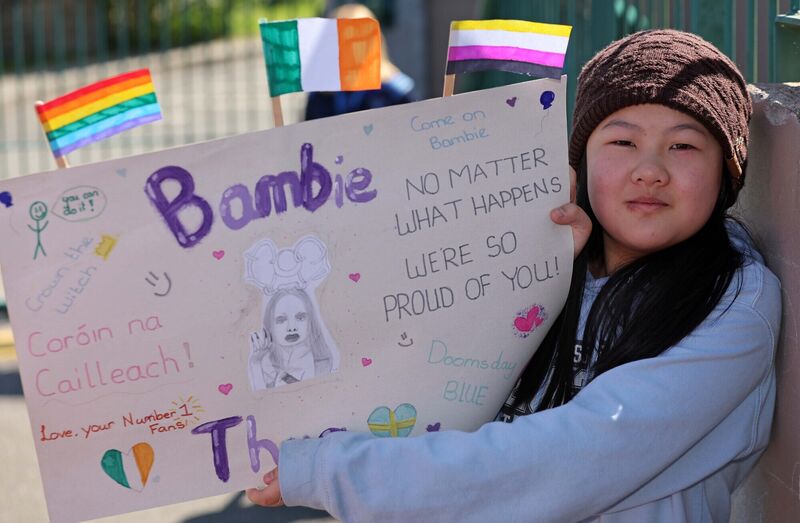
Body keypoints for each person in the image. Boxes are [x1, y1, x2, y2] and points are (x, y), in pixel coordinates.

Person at [247, 29, 781, 522]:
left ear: (727, 173)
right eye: (622, 142)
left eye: (683, 146)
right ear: (579, 162)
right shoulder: (546, 264)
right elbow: (431, 375)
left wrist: (335, 472)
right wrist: (524, 281)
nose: (649, 169)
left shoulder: (735, 305)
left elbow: (567, 460)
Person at [304, 3, 416, 121]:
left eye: (358, 39)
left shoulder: (395, 91)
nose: (351, 48)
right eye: (342, 39)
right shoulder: (320, 96)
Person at [249, 287, 336, 389]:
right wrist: (255, 363)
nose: (292, 328)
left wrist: (285, 377)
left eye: (300, 318)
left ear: (310, 321)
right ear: (270, 325)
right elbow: (259, 400)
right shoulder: (267, 363)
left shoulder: (321, 363)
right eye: (281, 320)